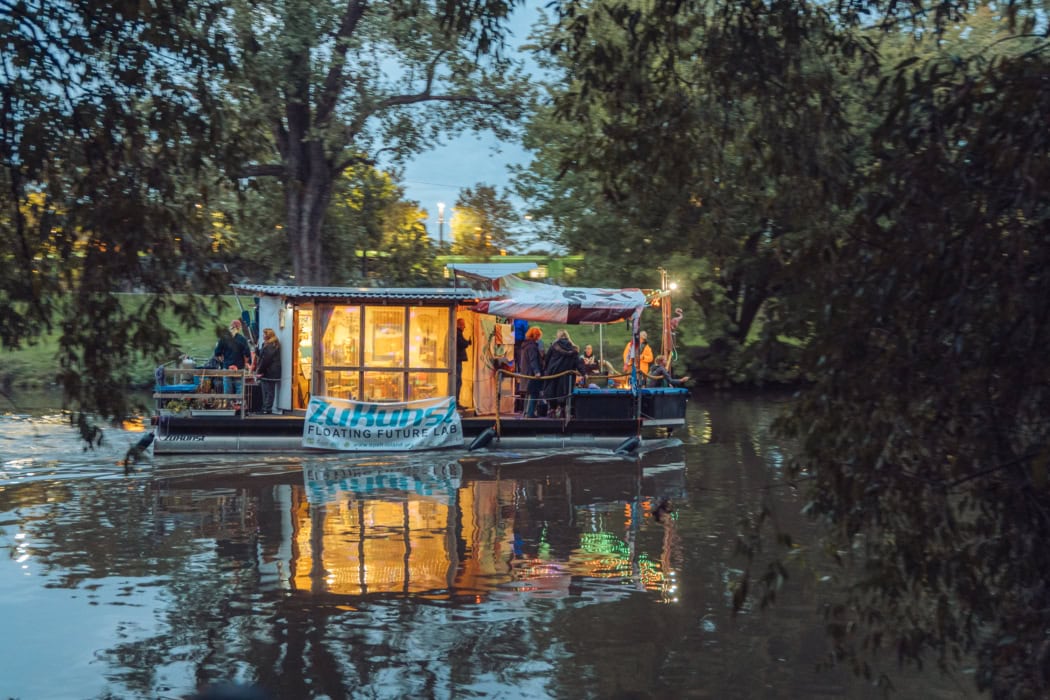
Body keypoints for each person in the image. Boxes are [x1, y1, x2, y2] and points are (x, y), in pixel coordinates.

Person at [542, 329, 580, 418]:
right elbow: (577, 361)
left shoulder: (554, 346)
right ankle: (563, 410)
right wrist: (583, 372)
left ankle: (552, 410)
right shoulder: (573, 348)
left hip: (553, 373)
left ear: (558, 336)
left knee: (552, 391)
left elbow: (547, 359)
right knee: (564, 392)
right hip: (566, 375)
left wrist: (545, 369)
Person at [214, 319, 252, 402]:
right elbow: (247, 355)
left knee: (227, 389)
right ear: (239, 328)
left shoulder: (223, 338)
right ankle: (239, 407)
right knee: (239, 388)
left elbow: (217, 353)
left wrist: (223, 360)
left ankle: (228, 407)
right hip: (238, 368)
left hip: (227, 367)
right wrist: (245, 363)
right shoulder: (242, 339)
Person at [519, 327, 545, 417]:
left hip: (525, 372)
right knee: (533, 392)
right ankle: (530, 413)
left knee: (528, 393)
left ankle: (526, 413)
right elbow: (533, 360)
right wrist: (537, 371)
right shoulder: (532, 347)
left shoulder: (525, 345)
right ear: (536, 336)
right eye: (539, 335)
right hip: (531, 374)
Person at [255, 328, 282, 414]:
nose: (263, 336)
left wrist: (259, 371)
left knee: (268, 391)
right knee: (266, 390)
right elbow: (263, 355)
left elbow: (266, 359)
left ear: (268, 335)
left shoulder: (271, 345)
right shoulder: (269, 344)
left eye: (264, 334)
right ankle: (265, 408)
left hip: (269, 371)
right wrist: (256, 349)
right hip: (268, 371)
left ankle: (267, 408)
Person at [455, 317, 471, 406]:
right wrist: (467, 342)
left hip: (456, 360)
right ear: (460, 325)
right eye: (463, 325)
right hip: (457, 361)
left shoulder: (456, 333)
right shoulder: (457, 333)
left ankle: (455, 401)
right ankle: (456, 402)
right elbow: (461, 343)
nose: (464, 327)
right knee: (458, 381)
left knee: (457, 381)